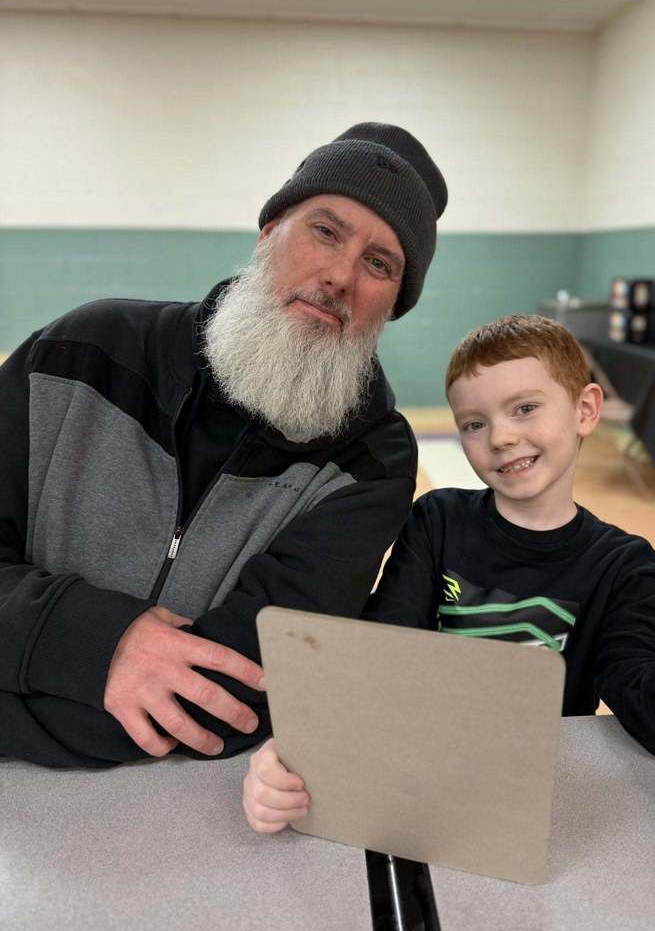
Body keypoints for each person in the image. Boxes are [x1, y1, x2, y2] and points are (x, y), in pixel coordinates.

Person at [0, 122, 448, 768]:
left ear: (392, 306)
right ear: (269, 232)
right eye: (326, 231)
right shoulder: (81, 354)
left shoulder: (372, 460)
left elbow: (234, 694)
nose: (340, 275)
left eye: (379, 264)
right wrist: (98, 643)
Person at [243, 314, 655, 832]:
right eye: (474, 423)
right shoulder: (437, 521)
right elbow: (381, 658)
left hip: (528, 814)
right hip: (418, 789)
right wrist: (293, 757)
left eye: (524, 408)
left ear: (585, 410)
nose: (500, 437)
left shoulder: (623, 567)